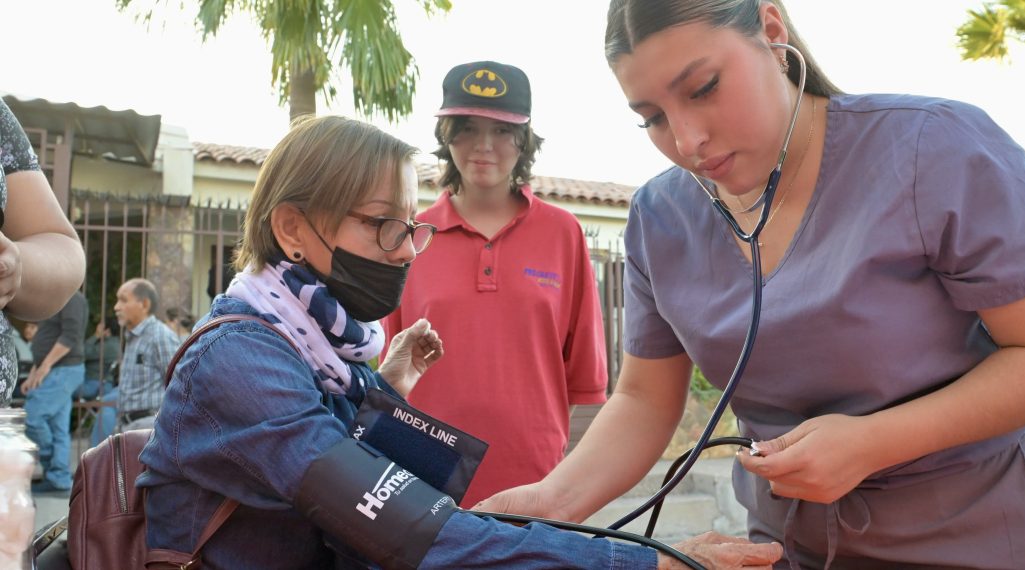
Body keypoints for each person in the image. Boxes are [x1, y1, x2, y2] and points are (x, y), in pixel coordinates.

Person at [476, 1, 1025, 568]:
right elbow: (644, 400)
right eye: (652, 119)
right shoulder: (658, 218)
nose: (688, 141)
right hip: (782, 548)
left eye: (704, 88)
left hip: (972, 538)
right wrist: (553, 502)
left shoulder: (936, 149)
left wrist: (874, 442)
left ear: (772, 31)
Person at [137, 114, 782, 569]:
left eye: (408, 227)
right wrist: (648, 563)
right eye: (382, 226)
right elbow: (402, 531)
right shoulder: (243, 362)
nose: (403, 252)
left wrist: (383, 392)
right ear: (292, 229)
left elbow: (376, 493)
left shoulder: (323, 353)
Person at [381, 60, 609, 508]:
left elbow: (582, 376)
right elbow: (393, 373)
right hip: (424, 479)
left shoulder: (563, 233)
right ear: (447, 136)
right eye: (467, 128)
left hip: (535, 483)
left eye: (502, 130)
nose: (484, 145)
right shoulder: (413, 238)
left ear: (524, 139)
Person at [0, 99, 87, 407]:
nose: (117, 306)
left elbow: (69, 337)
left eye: (123, 299)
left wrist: (16, 264)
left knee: (49, 425)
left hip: (61, 371)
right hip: (52, 371)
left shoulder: (76, 304)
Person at [21, 290, 87, 494]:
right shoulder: (55, 299)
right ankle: (59, 479)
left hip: (63, 369)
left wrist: (45, 366)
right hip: (56, 370)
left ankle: (53, 467)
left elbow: (70, 336)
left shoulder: (72, 298)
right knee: (58, 428)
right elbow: (47, 339)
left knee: (32, 417)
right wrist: (35, 371)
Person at [106, 277, 179, 431]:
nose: (116, 307)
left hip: (149, 426)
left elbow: (180, 385)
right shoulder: (132, 336)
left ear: (144, 304)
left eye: (123, 300)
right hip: (128, 425)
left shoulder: (160, 336)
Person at [78, 315, 121, 446]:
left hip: (95, 384)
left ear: (106, 330)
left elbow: (82, 352)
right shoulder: (111, 343)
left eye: (100, 325)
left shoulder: (109, 345)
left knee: (63, 389)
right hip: (98, 383)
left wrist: (95, 336)